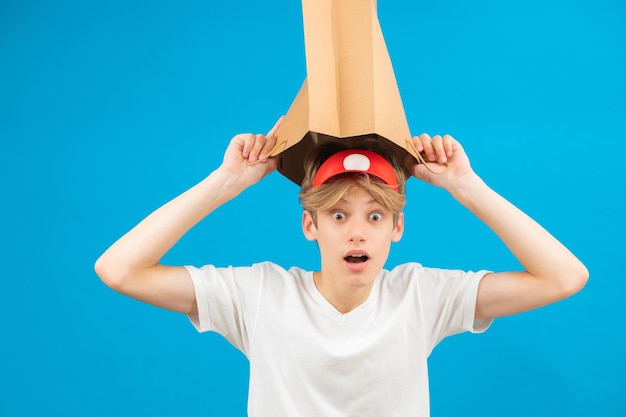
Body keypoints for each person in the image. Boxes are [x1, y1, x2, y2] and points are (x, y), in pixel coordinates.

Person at [95, 118, 588, 417]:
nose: (357, 232)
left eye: (375, 216)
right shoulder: (260, 294)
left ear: (397, 228)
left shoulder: (421, 296)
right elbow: (119, 270)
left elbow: (564, 277)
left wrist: (466, 186)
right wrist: (225, 183)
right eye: (338, 214)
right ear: (309, 225)